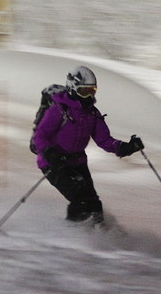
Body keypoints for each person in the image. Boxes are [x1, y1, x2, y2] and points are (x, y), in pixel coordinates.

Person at [32, 66, 144, 224]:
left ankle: (101, 237)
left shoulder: (92, 113)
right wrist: (50, 152)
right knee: (81, 201)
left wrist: (126, 147)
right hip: (54, 163)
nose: (89, 96)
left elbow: (104, 140)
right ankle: (71, 236)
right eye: (85, 91)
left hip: (77, 162)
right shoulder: (59, 109)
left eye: (92, 91)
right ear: (73, 89)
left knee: (94, 204)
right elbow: (40, 136)